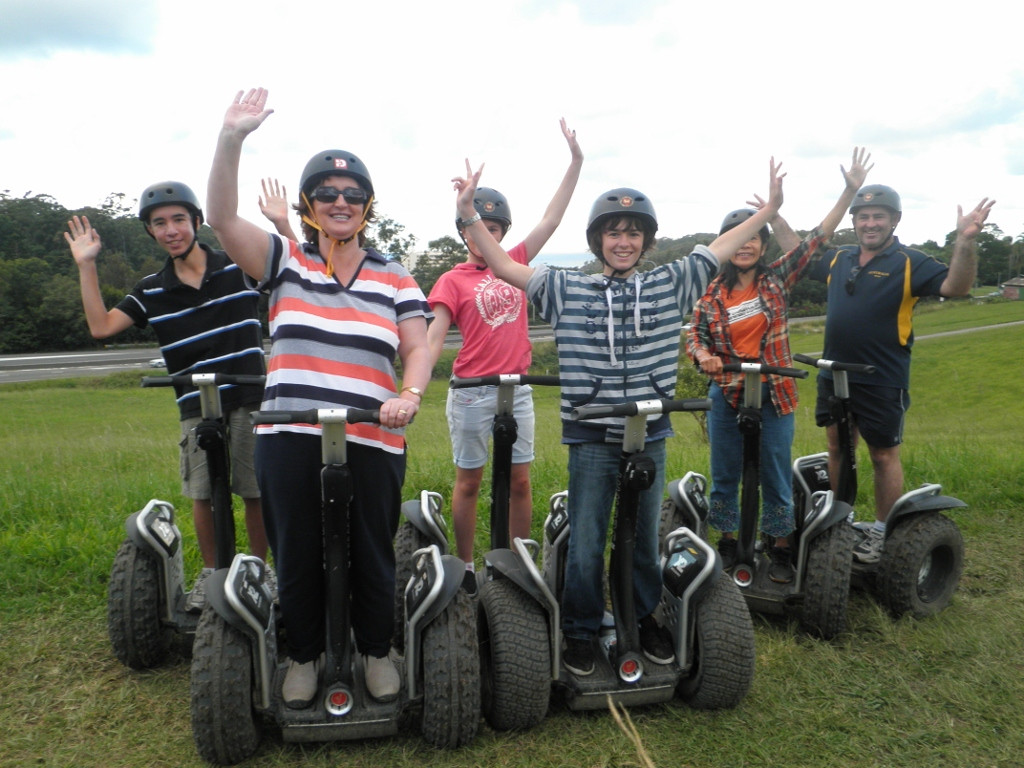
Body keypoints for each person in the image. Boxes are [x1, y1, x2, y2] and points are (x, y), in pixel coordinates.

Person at [453, 156, 784, 677]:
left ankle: (642, 614)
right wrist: (470, 214)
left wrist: (768, 209)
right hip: (591, 436)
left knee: (644, 536)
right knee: (587, 540)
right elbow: (504, 265)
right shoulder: (567, 288)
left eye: (633, 233)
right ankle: (581, 627)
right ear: (598, 241)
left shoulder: (670, 284)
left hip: (650, 433)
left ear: (646, 240)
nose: (623, 241)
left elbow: (720, 247)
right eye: (613, 233)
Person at [206, 87, 432, 708]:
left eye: (353, 195)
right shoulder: (285, 260)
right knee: (298, 550)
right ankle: (302, 654)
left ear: (367, 206)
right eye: (328, 194)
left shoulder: (395, 274)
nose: (341, 202)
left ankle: (375, 649)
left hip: (372, 431)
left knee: (372, 549)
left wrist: (409, 394)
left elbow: (416, 347)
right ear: (309, 204)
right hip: (288, 432)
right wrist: (231, 140)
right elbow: (222, 219)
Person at [65, 181, 271, 612]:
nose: (171, 229)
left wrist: (282, 224)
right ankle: (213, 574)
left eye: (179, 219)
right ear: (151, 232)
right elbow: (101, 328)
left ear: (197, 222)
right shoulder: (151, 289)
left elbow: (290, 275)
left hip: (250, 397)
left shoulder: (238, 266)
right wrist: (86, 266)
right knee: (203, 493)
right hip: (195, 405)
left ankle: (258, 569)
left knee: (256, 490)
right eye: (159, 223)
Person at [687, 148, 872, 584]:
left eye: (753, 238)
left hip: (775, 390)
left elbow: (818, 239)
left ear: (762, 244)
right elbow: (695, 335)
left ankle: (781, 545)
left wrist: (849, 192)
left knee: (773, 470)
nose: (746, 245)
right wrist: (704, 357)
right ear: (726, 246)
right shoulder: (710, 291)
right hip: (728, 390)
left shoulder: (777, 279)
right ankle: (729, 542)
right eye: (738, 238)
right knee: (725, 473)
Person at [789, 184, 994, 564]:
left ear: (895, 220)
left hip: (882, 377)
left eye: (878, 216)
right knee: (837, 447)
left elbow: (957, 286)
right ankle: (841, 521)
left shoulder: (910, 261)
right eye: (863, 216)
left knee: (883, 456)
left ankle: (883, 532)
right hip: (833, 373)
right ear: (854, 221)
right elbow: (799, 253)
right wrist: (775, 213)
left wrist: (965, 241)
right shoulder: (840, 258)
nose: (870, 223)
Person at [426, 120, 583, 591]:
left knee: (519, 481)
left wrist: (575, 163)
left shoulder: (514, 261)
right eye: (477, 227)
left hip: (517, 390)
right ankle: (468, 566)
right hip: (472, 393)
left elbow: (552, 221)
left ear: (502, 233)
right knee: (470, 482)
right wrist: (414, 385)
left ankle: (517, 563)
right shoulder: (451, 281)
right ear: (464, 232)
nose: (484, 236)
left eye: (494, 228)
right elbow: (434, 335)